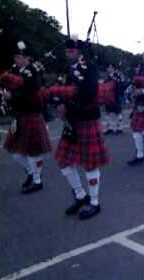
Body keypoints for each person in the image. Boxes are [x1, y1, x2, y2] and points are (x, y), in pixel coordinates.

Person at [55, 36, 110, 220]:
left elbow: (89, 93)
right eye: (67, 51)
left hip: (86, 120)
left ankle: (94, 202)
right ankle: (80, 196)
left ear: (78, 51)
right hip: (72, 121)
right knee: (63, 162)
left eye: (72, 51)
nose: (69, 53)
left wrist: (68, 104)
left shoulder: (89, 67)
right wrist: (59, 104)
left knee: (90, 165)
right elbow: (60, 89)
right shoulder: (66, 68)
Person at [2, 41, 52, 194]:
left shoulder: (32, 72)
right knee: (15, 152)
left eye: (19, 57)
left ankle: (37, 181)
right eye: (16, 57)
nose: (16, 59)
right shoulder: (17, 71)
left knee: (33, 151)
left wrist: (13, 95)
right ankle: (32, 173)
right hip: (18, 116)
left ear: (26, 58)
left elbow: (32, 91)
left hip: (31, 114)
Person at [103, 64, 126, 135]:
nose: (108, 69)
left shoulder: (117, 75)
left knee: (118, 112)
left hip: (115, 96)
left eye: (110, 67)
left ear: (113, 68)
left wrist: (118, 93)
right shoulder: (108, 77)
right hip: (108, 97)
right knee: (107, 113)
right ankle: (109, 128)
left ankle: (120, 128)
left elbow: (122, 84)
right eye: (108, 67)